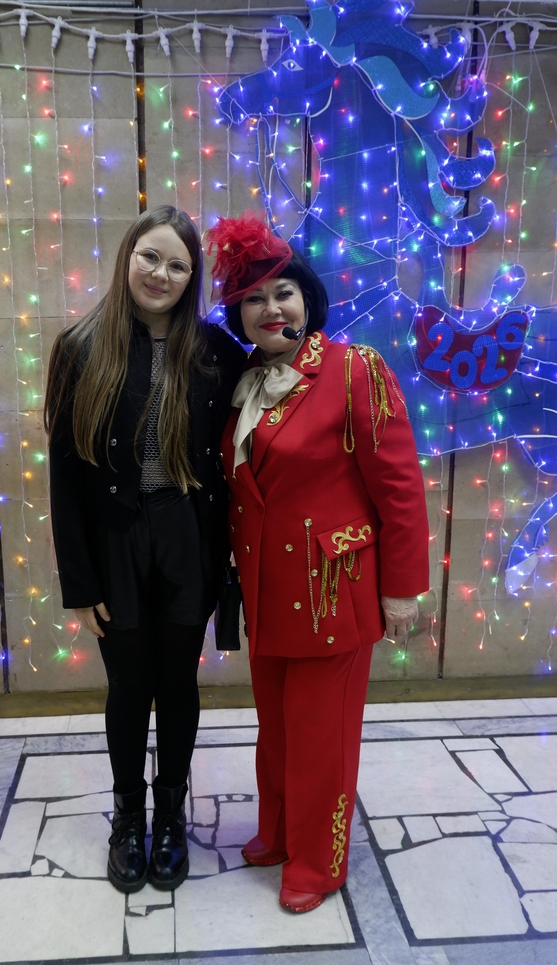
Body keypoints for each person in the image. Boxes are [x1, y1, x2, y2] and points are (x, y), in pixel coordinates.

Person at [205, 213, 430, 914]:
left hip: (334, 590)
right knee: (276, 726)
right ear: (239, 313)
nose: (271, 308)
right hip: (267, 590)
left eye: (283, 293)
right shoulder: (246, 380)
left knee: (319, 736)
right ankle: (277, 833)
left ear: (307, 298)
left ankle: (317, 861)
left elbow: (400, 485)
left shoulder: (355, 369)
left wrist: (402, 589)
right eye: (253, 299)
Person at [45, 205, 246, 894]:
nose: (161, 273)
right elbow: (65, 474)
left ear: (192, 277)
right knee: (130, 686)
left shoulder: (216, 351)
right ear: (128, 256)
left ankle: (169, 819)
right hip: (116, 538)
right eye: (150, 257)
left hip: (188, 532)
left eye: (178, 265)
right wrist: (79, 583)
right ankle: (128, 818)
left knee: (178, 682)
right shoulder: (81, 346)